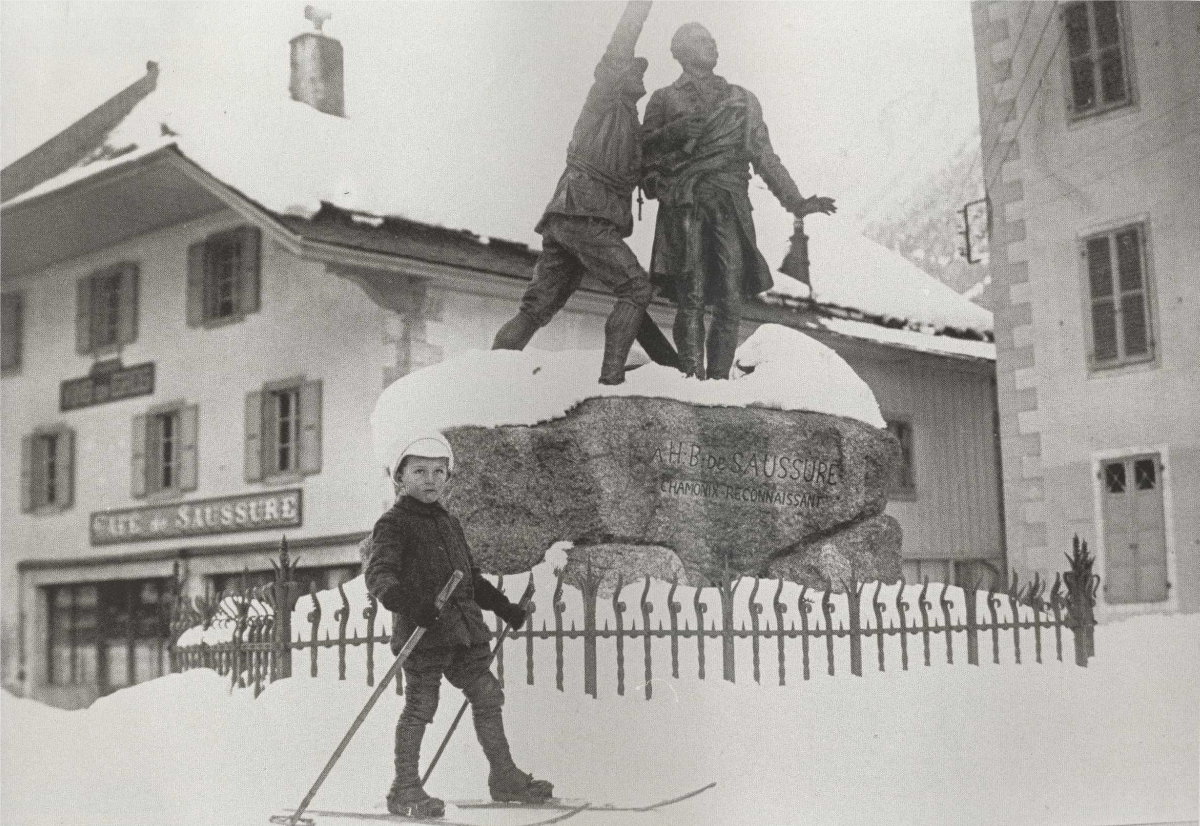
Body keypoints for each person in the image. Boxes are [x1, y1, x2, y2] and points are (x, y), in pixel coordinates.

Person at [365, 432, 551, 819]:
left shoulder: (449, 522)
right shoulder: (393, 524)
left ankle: (505, 777)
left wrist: (506, 610)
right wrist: (412, 606)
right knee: (421, 707)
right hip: (424, 635)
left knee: (488, 696)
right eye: (419, 471)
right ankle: (405, 788)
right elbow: (379, 575)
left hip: (464, 632)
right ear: (399, 477)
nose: (430, 479)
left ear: (449, 476)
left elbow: (470, 579)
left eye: (439, 471)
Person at [642, 22, 837, 380]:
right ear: (682, 51)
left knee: (730, 300)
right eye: (703, 41)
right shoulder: (663, 99)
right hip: (686, 206)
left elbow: (764, 157)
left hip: (730, 206)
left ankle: (717, 384)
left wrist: (795, 201)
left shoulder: (743, 101)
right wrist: (672, 146)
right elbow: (642, 156)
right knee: (692, 297)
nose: (713, 45)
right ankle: (691, 380)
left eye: (714, 40)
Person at [491, 0, 660, 385]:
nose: (642, 77)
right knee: (636, 288)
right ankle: (611, 381)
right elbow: (622, 41)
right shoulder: (604, 97)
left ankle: (489, 379)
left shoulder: (632, 127)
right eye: (637, 70)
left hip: (570, 217)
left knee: (536, 309)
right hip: (586, 213)